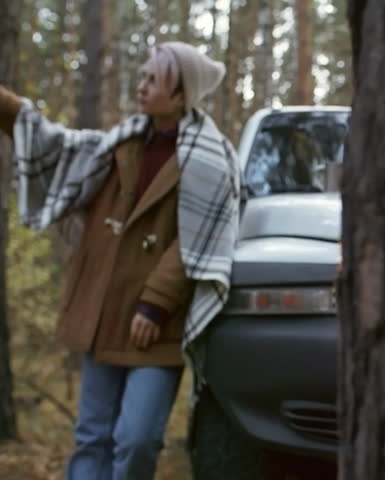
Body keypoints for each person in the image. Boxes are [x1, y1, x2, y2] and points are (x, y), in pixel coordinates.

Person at [0, 42, 243, 480]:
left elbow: (201, 239)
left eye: (154, 79)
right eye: (143, 75)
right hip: (103, 311)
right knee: (92, 436)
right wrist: (9, 107)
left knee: (137, 439)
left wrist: (155, 302)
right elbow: (54, 143)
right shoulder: (119, 143)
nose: (142, 85)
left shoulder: (210, 161)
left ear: (181, 94)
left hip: (156, 325)